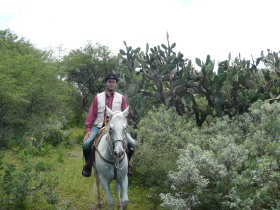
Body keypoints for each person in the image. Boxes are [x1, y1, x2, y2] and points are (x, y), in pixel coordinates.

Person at [82, 73, 136, 177]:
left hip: (116, 128)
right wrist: (88, 129)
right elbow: (92, 114)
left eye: (113, 82)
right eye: (109, 82)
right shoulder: (98, 97)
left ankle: (128, 164)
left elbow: (126, 115)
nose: (111, 84)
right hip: (99, 126)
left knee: (132, 143)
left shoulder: (121, 98)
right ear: (106, 83)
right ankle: (88, 165)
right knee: (86, 144)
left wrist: (122, 119)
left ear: (116, 84)